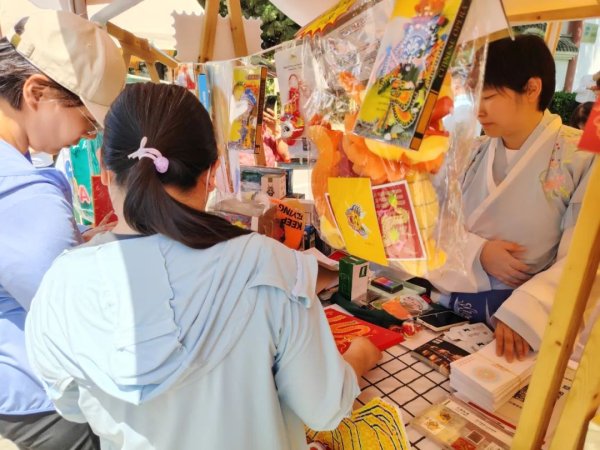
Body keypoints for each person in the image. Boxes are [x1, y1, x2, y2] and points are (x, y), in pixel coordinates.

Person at [25, 82, 382, 450]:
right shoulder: (267, 264)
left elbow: (71, 404)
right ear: (212, 173)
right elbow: (324, 408)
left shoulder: (60, 285)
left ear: (103, 166)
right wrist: (358, 357)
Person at [0, 10, 126, 449]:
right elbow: (73, 313)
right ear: (36, 92)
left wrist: (79, 243)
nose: (89, 136)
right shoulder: (24, 192)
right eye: (88, 120)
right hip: (45, 402)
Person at [429, 35, 596, 362]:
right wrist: (479, 253)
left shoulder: (583, 157)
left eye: (490, 96)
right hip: (454, 305)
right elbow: (434, 223)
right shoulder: (472, 151)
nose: (479, 110)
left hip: (523, 327)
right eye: (475, 97)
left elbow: (585, 255)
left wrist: (527, 309)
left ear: (532, 89)